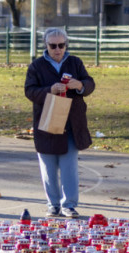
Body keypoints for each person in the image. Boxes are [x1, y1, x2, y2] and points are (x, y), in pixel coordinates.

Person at [24, 27, 95, 219]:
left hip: (72, 122)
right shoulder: (37, 66)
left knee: (69, 166)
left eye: (61, 45)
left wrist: (79, 85)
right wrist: (49, 90)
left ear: (66, 45)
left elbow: (90, 83)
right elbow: (29, 91)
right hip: (47, 121)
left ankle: (69, 204)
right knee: (48, 166)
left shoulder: (75, 63)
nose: (57, 49)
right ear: (46, 45)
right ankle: (53, 204)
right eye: (53, 45)